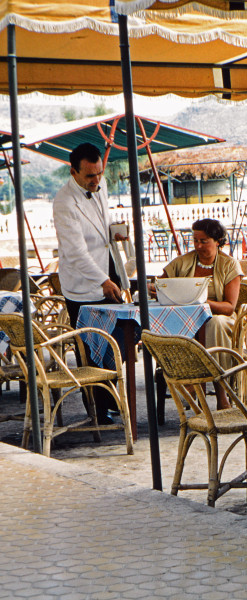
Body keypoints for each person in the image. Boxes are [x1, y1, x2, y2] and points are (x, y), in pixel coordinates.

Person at [53, 142, 128, 423]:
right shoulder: (64, 202)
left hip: (107, 272)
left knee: (114, 345)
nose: (96, 181)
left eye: (99, 173)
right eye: (89, 176)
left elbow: (101, 223)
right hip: (82, 284)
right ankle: (96, 411)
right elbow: (75, 252)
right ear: (73, 172)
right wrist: (103, 280)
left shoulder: (101, 185)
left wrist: (115, 232)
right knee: (90, 350)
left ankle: (112, 400)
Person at [158, 218, 243, 409]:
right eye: (195, 240)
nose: (197, 245)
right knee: (168, 323)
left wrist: (201, 303)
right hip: (187, 320)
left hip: (219, 319)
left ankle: (222, 393)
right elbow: (161, 284)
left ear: (218, 240)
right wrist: (156, 288)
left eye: (203, 241)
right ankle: (187, 379)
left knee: (215, 324)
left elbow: (229, 307)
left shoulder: (229, 265)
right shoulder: (183, 262)